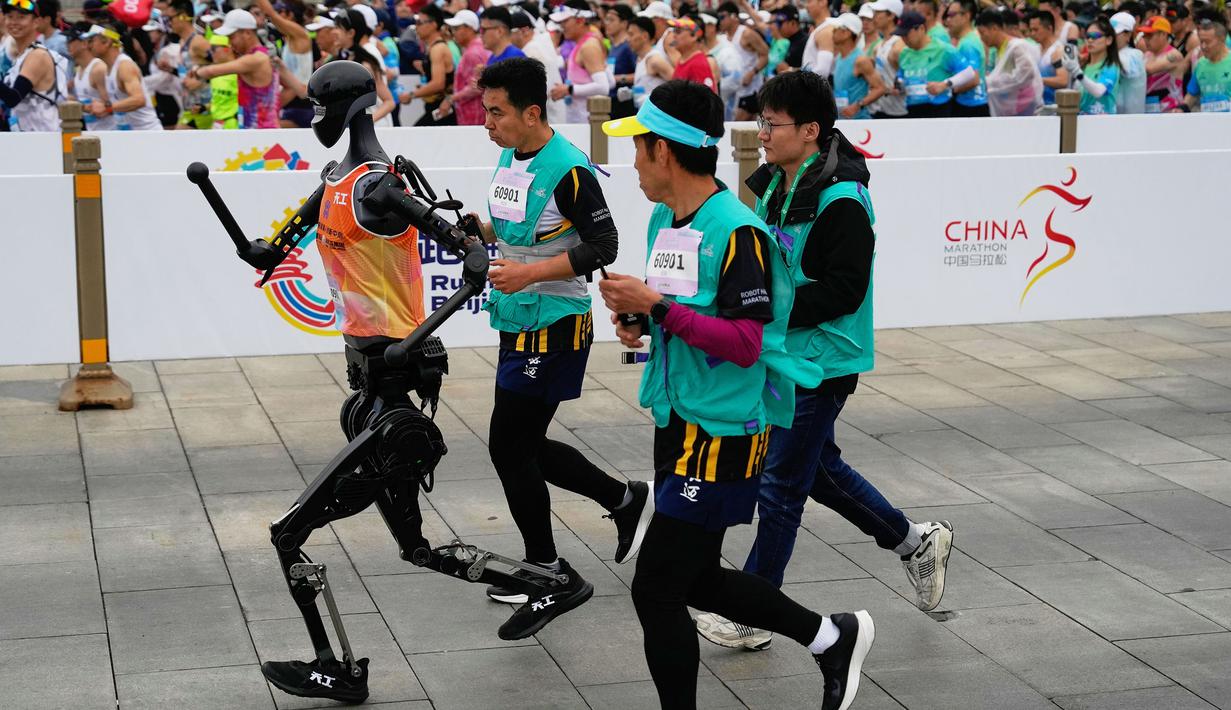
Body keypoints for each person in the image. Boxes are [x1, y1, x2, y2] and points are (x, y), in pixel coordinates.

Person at [600, 79, 874, 710]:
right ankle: (832, 636)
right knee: (693, 578)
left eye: (638, 149)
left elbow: (747, 343)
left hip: (721, 433)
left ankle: (828, 639)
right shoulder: (666, 218)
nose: (633, 163)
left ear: (665, 152)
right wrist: (639, 322)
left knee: (657, 588)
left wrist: (659, 309)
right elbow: (684, 315)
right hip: (678, 417)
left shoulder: (738, 231)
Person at [695, 69, 953, 655]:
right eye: (760, 121)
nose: (761, 134)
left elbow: (843, 289)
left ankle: (753, 610)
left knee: (780, 483)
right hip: (789, 353)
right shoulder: (781, 183)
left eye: (771, 124)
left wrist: (764, 310)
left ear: (810, 131)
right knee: (817, 471)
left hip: (822, 359)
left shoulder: (841, 198)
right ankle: (916, 543)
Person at [468, 57, 654, 641]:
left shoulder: (571, 169)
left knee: (508, 444)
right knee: (519, 445)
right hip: (516, 317)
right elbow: (517, 226)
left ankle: (548, 569)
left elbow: (604, 241)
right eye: (485, 111)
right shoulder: (510, 153)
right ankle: (623, 501)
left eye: (496, 113)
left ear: (531, 112)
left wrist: (532, 274)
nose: (487, 124)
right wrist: (480, 230)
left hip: (556, 322)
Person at [193, 9, 280, 128]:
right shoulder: (268, 57)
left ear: (247, 33)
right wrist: (271, 107)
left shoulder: (254, 59)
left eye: (232, 37)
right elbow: (298, 90)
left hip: (259, 134)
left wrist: (196, 71)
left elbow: (211, 71)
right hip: (259, 130)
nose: (229, 43)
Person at [896, 10, 974, 118]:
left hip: (938, 109)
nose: (904, 39)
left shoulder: (943, 49)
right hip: (912, 110)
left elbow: (969, 73)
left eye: (906, 34)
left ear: (921, 29)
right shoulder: (904, 53)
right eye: (901, 35)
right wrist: (899, 84)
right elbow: (901, 76)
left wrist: (945, 84)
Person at [1, 0, 63, 132]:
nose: (14, 22)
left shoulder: (37, 55)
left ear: (36, 22)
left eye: (21, 17)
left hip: (43, 139)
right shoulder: (22, 55)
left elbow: (14, 97)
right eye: (10, 17)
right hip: (28, 138)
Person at [84, 23, 160, 130]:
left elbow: (139, 100)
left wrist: (107, 108)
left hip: (147, 134)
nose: (87, 46)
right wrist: (88, 107)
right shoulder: (107, 68)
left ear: (107, 42)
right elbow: (116, 104)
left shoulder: (124, 66)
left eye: (91, 41)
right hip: (128, 135)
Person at [253, 0, 313, 128]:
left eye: (280, 11)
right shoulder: (291, 37)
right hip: (294, 101)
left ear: (290, 14)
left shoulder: (300, 34)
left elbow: (271, 15)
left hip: (299, 105)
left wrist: (272, 107)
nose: (277, 15)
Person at [548, 4, 608, 124]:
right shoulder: (583, 44)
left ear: (580, 21)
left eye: (565, 21)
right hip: (579, 121)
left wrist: (569, 89)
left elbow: (604, 87)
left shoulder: (589, 46)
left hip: (586, 125)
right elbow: (609, 80)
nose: (561, 27)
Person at [979, 7, 1042, 116]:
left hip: (1025, 109)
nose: (981, 38)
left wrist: (992, 82)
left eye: (983, 32)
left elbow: (1027, 74)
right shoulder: (999, 49)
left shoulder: (1016, 47)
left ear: (994, 28)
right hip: (1012, 109)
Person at [717, 1, 767, 119]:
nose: (720, 21)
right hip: (732, 92)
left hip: (749, 90)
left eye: (722, 17)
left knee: (735, 126)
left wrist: (752, 72)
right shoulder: (722, 37)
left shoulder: (746, 34)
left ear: (734, 16)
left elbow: (765, 55)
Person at [405, 4, 454, 125]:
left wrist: (411, 95)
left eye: (420, 23)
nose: (416, 27)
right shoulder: (432, 47)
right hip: (436, 106)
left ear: (433, 25)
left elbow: (438, 83)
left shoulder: (438, 49)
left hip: (442, 108)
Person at [831, 12, 885, 119]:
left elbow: (880, 88)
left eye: (836, 28)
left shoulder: (861, 60)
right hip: (842, 122)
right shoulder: (838, 58)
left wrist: (858, 105)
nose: (832, 31)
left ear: (847, 33)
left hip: (859, 123)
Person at [442, 9, 487, 125]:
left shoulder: (472, 53)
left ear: (470, 28)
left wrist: (452, 98)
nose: (453, 33)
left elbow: (476, 87)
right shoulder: (478, 48)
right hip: (476, 113)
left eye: (457, 28)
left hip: (474, 114)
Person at [945, 0, 989, 116]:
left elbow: (973, 79)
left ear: (966, 16)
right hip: (972, 104)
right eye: (947, 16)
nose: (948, 20)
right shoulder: (968, 40)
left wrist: (946, 88)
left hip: (971, 106)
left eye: (952, 15)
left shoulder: (968, 44)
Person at [67, 21, 115, 130]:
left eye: (71, 40)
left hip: (110, 134)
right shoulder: (79, 69)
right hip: (93, 133)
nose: (67, 44)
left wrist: (77, 105)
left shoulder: (98, 69)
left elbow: (109, 109)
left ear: (84, 43)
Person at [1068, 16, 1121, 114]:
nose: (1090, 40)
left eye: (1095, 36)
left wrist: (1076, 71)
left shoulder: (1111, 66)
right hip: (1082, 123)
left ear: (1109, 40)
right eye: (1087, 36)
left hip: (1103, 124)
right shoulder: (1084, 66)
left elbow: (1098, 91)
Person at [868, 0, 908, 118]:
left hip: (898, 112)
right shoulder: (878, 45)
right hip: (880, 110)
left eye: (878, 13)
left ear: (891, 16)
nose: (873, 17)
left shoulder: (899, 44)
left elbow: (909, 80)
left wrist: (894, 89)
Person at [1184, 18, 1230, 112]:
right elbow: (1191, 94)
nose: (1203, 46)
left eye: (1208, 42)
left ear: (1222, 39)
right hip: (1207, 123)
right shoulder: (1200, 64)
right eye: (1201, 42)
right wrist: (1181, 108)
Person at [1140, 16, 1184, 112]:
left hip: (1171, 111)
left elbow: (1150, 69)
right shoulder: (1147, 55)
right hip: (1149, 110)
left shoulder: (1174, 55)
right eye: (1144, 35)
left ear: (1163, 34)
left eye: (1150, 35)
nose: (1146, 40)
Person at [628, 14, 670, 108]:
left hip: (656, 116)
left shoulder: (654, 60)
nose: (628, 39)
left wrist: (655, 100)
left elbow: (678, 85)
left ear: (645, 36)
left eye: (631, 34)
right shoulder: (640, 59)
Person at [1029, 10, 1070, 106]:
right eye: (1031, 30)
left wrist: (1038, 80)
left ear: (1049, 28)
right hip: (1038, 107)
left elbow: (1063, 80)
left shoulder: (1059, 51)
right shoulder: (1035, 49)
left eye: (1036, 30)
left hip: (1054, 108)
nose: (1032, 34)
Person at [605, 3, 637, 118]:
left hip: (624, 103)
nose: (606, 23)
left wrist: (618, 79)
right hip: (611, 101)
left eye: (611, 20)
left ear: (624, 23)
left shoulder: (629, 46)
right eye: (606, 20)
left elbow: (640, 74)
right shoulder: (613, 45)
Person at [669, 15, 716, 92]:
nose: (673, 35)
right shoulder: (683, 59)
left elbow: (706, 100)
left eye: (678, 31)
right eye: (674, 30)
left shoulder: (698, 64)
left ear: (694, 36)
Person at [1111, 11, 1146, 113]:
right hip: (1113, 118)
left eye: (1115, 34)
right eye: (1110, 34)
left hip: (1132, 119)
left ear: (1128, 35)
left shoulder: (1135, 55)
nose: (1111, 38)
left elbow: (1127, 71)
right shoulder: (1111, 55)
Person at [205, 32, 239, 129]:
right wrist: (203, 108)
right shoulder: (215, 72)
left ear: (227, 48)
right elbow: (219, 100)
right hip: (217, 124)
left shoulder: (240, 71)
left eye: (214, 49)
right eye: (209, 50)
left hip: (234, 125)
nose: (211, 53)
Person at [800, 0, 839, 76]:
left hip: (817, 85)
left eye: (809, 1)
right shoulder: (821, 28)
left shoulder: (827, 31)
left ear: (823, 2)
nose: (806, 6)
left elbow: (822, 71)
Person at [773, 4, 807, 72]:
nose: (777, 27)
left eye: (780, 23)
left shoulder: (805, 42)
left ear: (793, 23)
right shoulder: (783, 40)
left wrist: (790, 70)